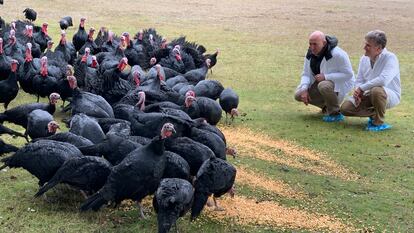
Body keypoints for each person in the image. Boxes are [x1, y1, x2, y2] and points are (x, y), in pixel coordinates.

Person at [340, 30, 400, 131]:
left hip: (389, 95)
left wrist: (362, 88)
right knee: (345, 108)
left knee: (376, 90)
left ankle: (378, 123)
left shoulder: (390, 58)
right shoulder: (364, 59)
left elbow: (383, 80)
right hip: (367, 93)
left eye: (368, 45)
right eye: (365, 44)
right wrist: (357, 92)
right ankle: (375, 113)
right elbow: (359, 79)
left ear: (378, 48)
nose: (364, 47)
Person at [294, 31, 354, 122]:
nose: (312, 47)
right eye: (310, 44)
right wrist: (304, 89)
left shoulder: (339, 54)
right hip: (320, 83)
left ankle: (335, 113)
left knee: (324, 85)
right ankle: (327, 107)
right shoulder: (310, 53)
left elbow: (348, 74)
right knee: (299, 95)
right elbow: (306, 73)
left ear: (324, 43)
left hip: (338, 85)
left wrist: (326, 76)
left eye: (315, 44)